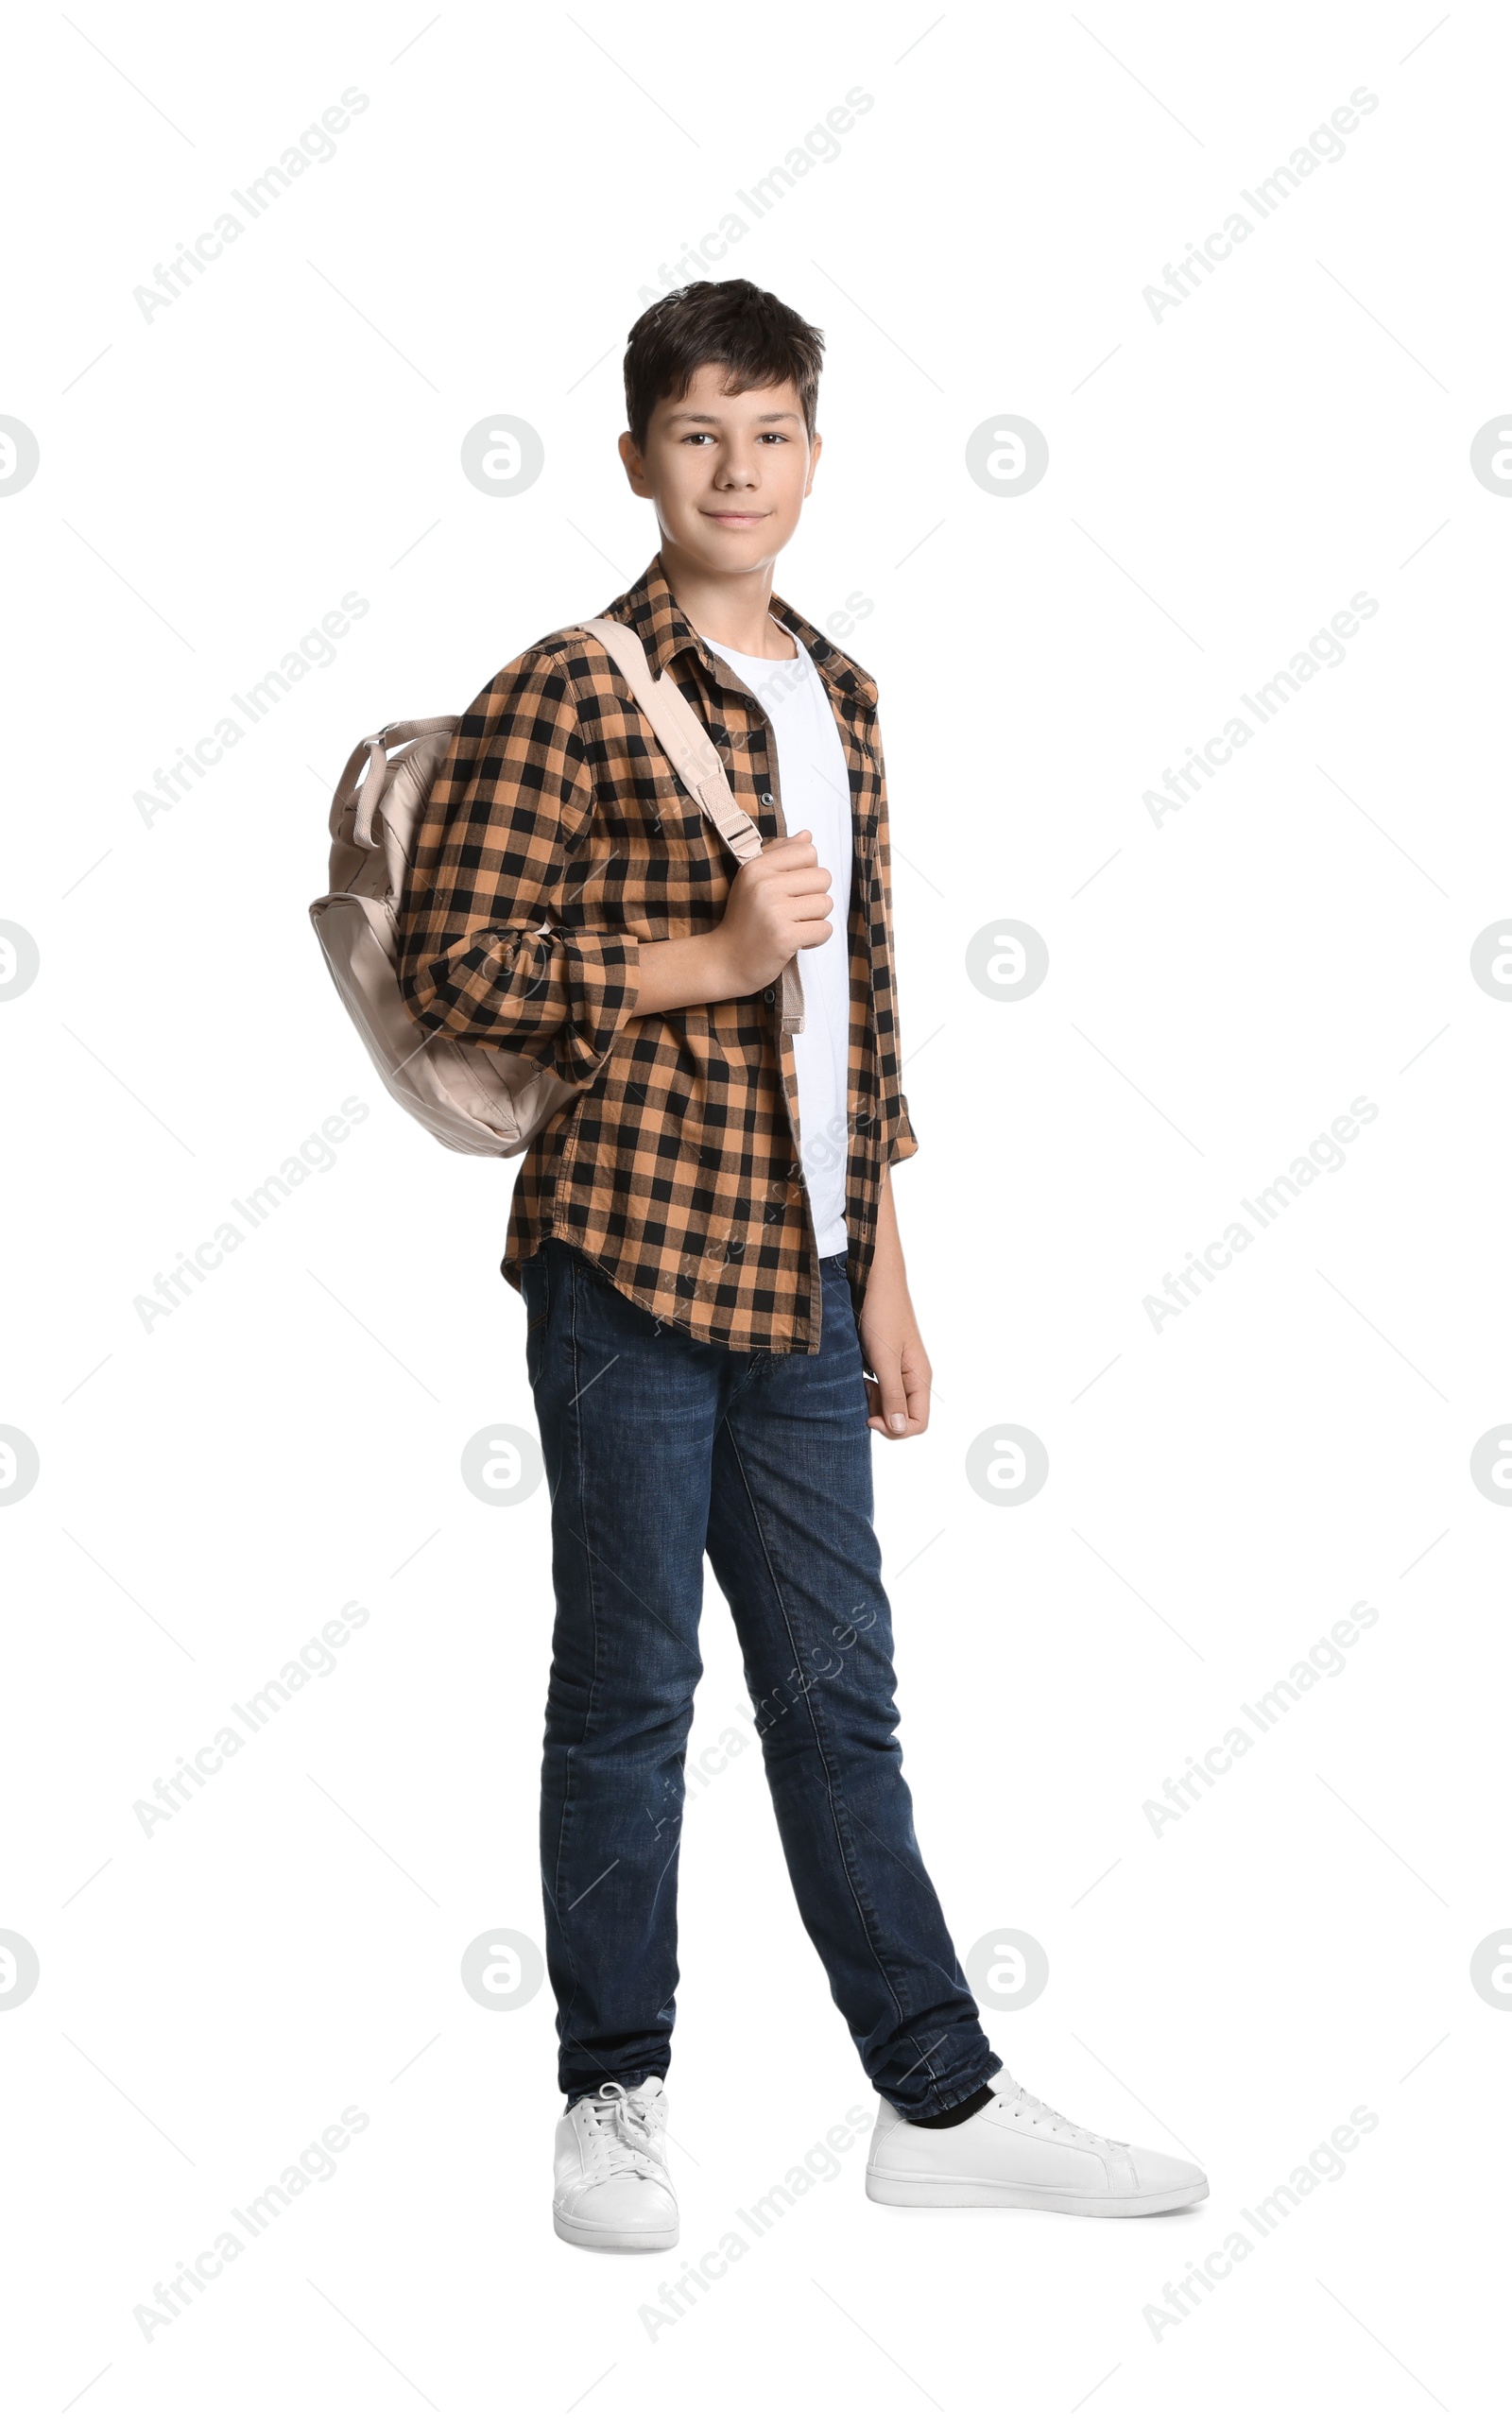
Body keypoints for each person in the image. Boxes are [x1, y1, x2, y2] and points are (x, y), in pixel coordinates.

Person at [398, 279, 1207, 2249]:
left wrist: (887, 1264)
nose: (735, 468)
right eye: (695, 433)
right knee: (629, 1690)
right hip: (629, 1258)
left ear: (814, 456)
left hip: (807, 1270)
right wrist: (702, 960)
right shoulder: (568, 689)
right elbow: (453, 969)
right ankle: (611, 2093)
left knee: (839, 1697)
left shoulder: (839, 690)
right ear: (634, 460)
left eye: (767, 432)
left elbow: (859, 1010)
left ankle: (933, 2100)